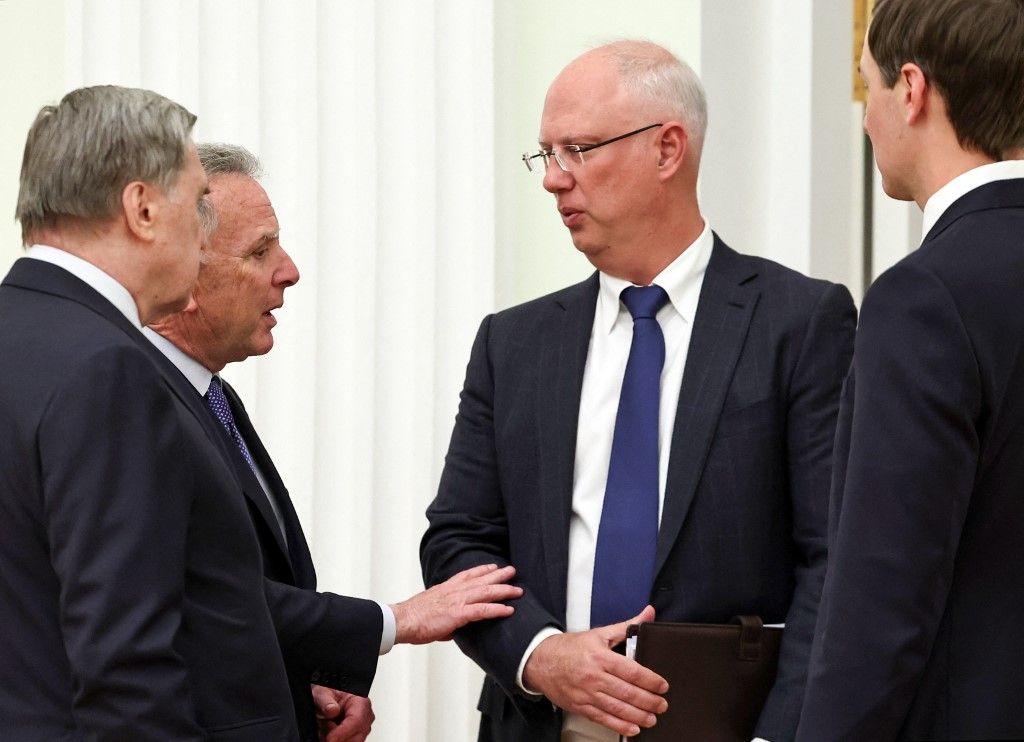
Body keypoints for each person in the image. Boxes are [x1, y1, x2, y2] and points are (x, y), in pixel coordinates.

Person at [421, 40, 856, 742]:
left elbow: (833, 556)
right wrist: (539, 654)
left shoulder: (799, 323)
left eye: (578, 150)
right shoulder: (513, 344)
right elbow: (459, 540)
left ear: (667, 149)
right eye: (546, 154)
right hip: (541, 722)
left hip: (725, 723)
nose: (552, 180)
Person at [146, 142, 524, 742]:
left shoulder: (210, 393)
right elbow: (198, 599)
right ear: (186, 275)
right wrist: (396, 621)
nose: (289, 269)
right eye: (260, 250)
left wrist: (306, 673)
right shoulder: (137, 404)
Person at [0, 86, 301, 739]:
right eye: (197, 205)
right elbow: (125, 666)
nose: (203, 236)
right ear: (141, 208)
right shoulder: (108, 367)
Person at [796, 1, 1024, 739]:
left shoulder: (926, 297)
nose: (866, 119)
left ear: (914, 90)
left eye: (869, 89)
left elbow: (881, 600)